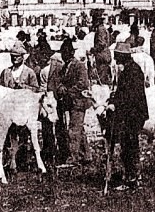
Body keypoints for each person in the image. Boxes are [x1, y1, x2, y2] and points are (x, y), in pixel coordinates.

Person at [107, 43, 148, 190]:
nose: (115, 59)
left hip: (133, 114)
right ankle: (134, 176)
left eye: (117, 56)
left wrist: (116, 104)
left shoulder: (132, 71)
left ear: (122, 56)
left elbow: (129, 95)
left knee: (130, 146)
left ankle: (132, 179)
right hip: (131, 113)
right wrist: (113, 99)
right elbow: (121, 92)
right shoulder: (129, 69)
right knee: (129, 145)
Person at [57, 39, 93, 167]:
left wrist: (67, 91)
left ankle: (73, 158)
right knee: (79, 129)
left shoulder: (79, 65)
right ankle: (86, 155)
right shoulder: (65, 67)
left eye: (66, 52)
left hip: (79, 102)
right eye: (62, 52)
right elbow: (61, 80)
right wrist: (61, 86)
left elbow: (83, 84)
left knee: (73, 130)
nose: (63, 55)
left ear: (71, 52)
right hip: (71, 102)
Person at [39, 45, 68, 165]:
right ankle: (55, 151)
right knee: (55, 127)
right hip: (53, 101)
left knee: (53, 127)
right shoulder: (59, 71)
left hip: (52, 101)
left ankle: (51, 151)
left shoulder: (46, 71)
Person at [89, 16, 112, 85]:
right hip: (105, 55)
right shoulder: (104, 29)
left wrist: (93, 50)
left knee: (101, 78)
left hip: (102, 56)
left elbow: (101, 44)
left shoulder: (100, 30)